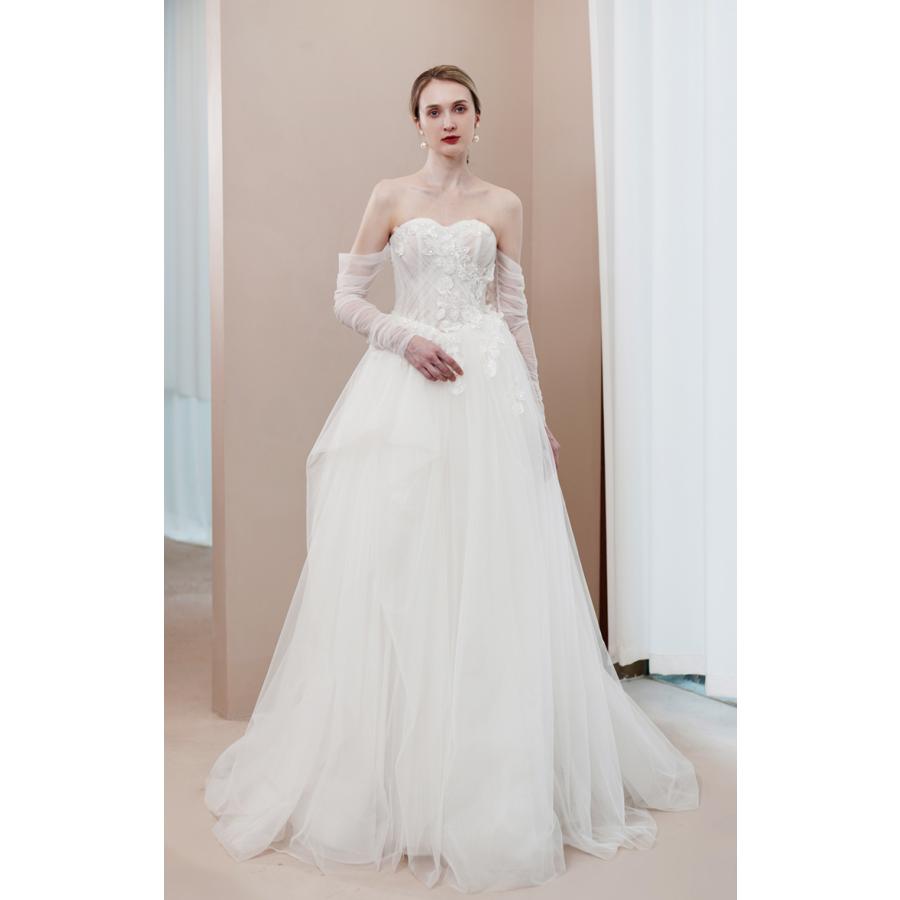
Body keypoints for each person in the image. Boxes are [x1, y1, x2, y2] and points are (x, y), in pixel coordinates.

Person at [204, 65, 699, 894]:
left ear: (477, 117)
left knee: (491, 574)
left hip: (488, 396)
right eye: (432, 109)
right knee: (403, 564)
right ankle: (399, 780)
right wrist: (403, 339)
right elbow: (346, 297)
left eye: (459, 107)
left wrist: (535, 412)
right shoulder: (390, 195)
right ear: (416, 122)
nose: (446, 119)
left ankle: (485, 776)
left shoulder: (503, 205)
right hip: (410, 389)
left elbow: (516, 316)